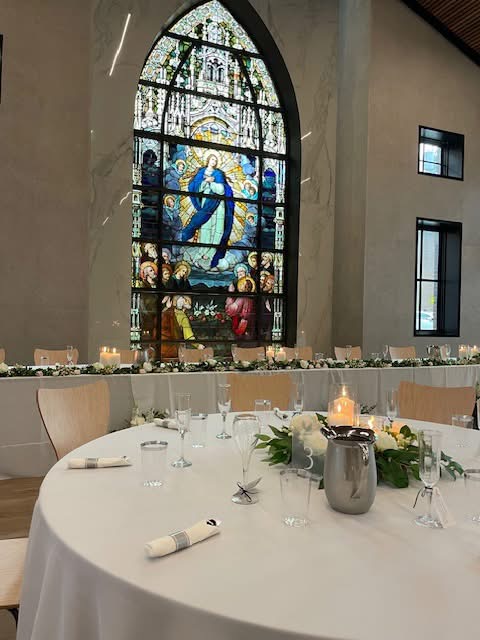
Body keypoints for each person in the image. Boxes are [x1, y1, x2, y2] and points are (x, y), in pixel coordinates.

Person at [182, 153, 234, 268]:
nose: (213, 161)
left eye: (215, 160)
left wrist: (212, 183)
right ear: (208, 160)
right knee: (206, 227)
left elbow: (221, 190)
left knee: (218, 229)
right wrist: (206, 181)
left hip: (219, 205)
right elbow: (196, 188)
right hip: (207, 204)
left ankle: (211, 254)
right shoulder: (201, 172)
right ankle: (202, 252)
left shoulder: (218, 174)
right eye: (212, 159)